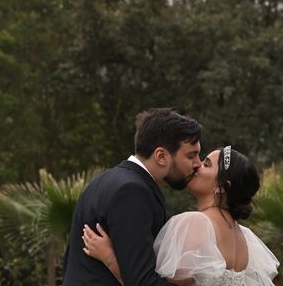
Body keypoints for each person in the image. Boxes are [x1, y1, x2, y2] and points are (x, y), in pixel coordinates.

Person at [82, 145, 279, 286]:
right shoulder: (245, 238)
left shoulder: (195, 224)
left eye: (207, 164)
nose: (197, 166)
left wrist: (109, 258)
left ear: (222, 187)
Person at [62, 108, 203, 286]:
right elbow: (143, 281)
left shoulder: (105, 181)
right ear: (161, 156)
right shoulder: (132, 191)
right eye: (191, 155)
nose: (198, 163)